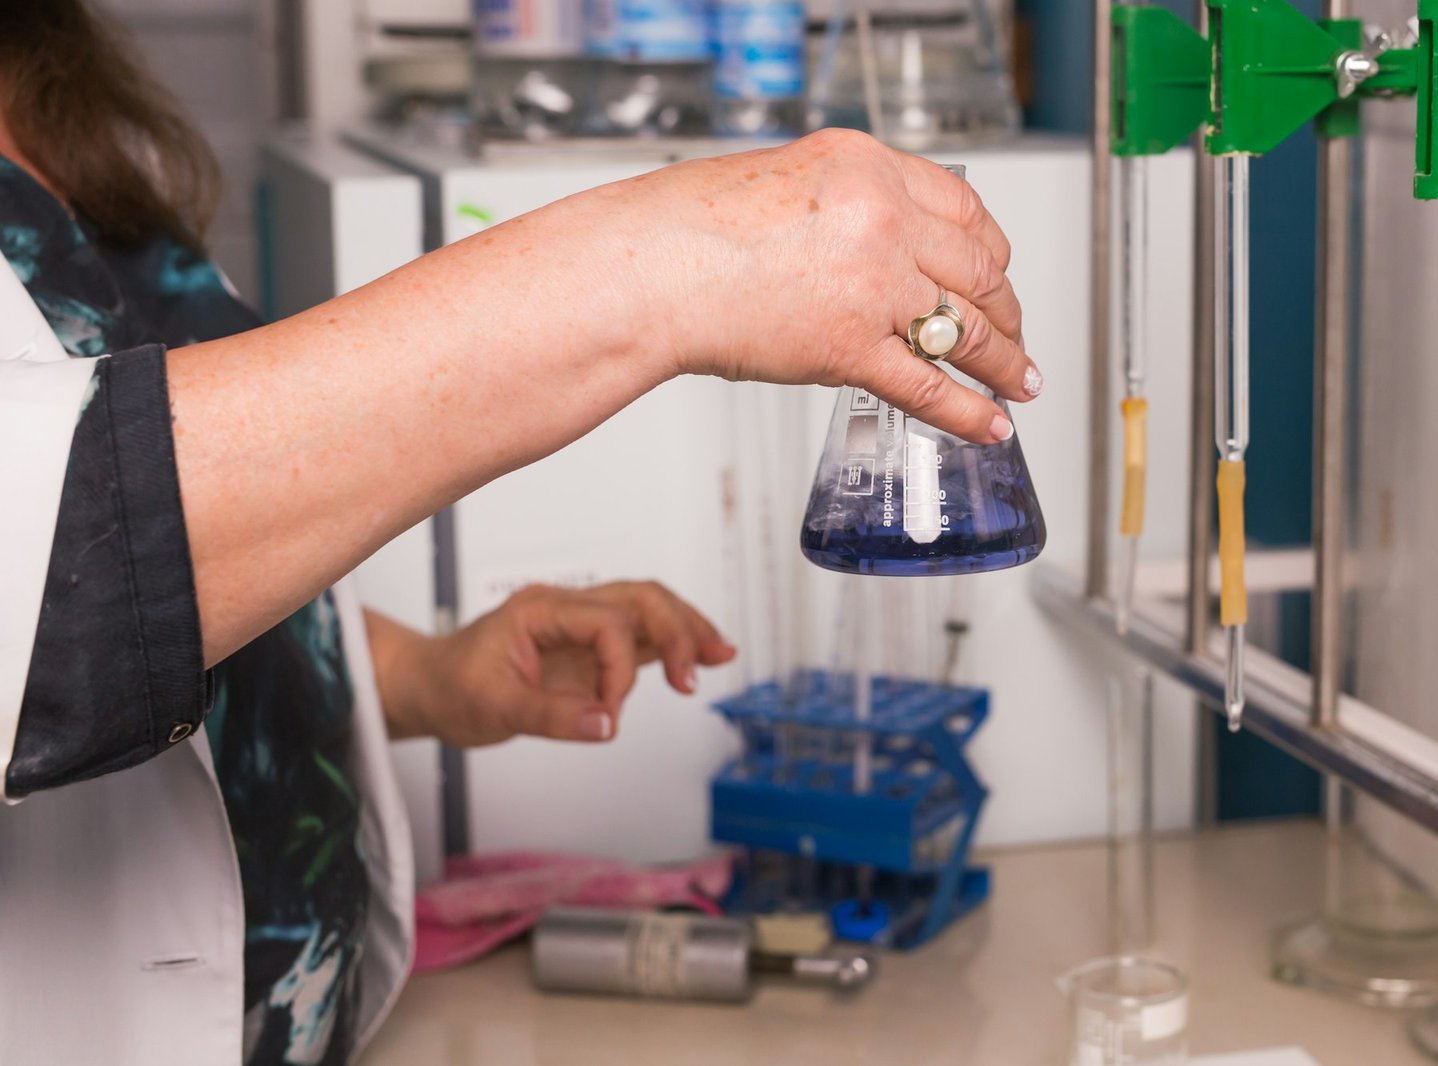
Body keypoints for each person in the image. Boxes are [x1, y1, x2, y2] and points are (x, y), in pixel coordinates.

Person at [0, 2, 1038, 1064]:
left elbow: (146, 535)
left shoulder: (51, 111)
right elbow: (44, 573)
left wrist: (415, 676)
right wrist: (671, 257)